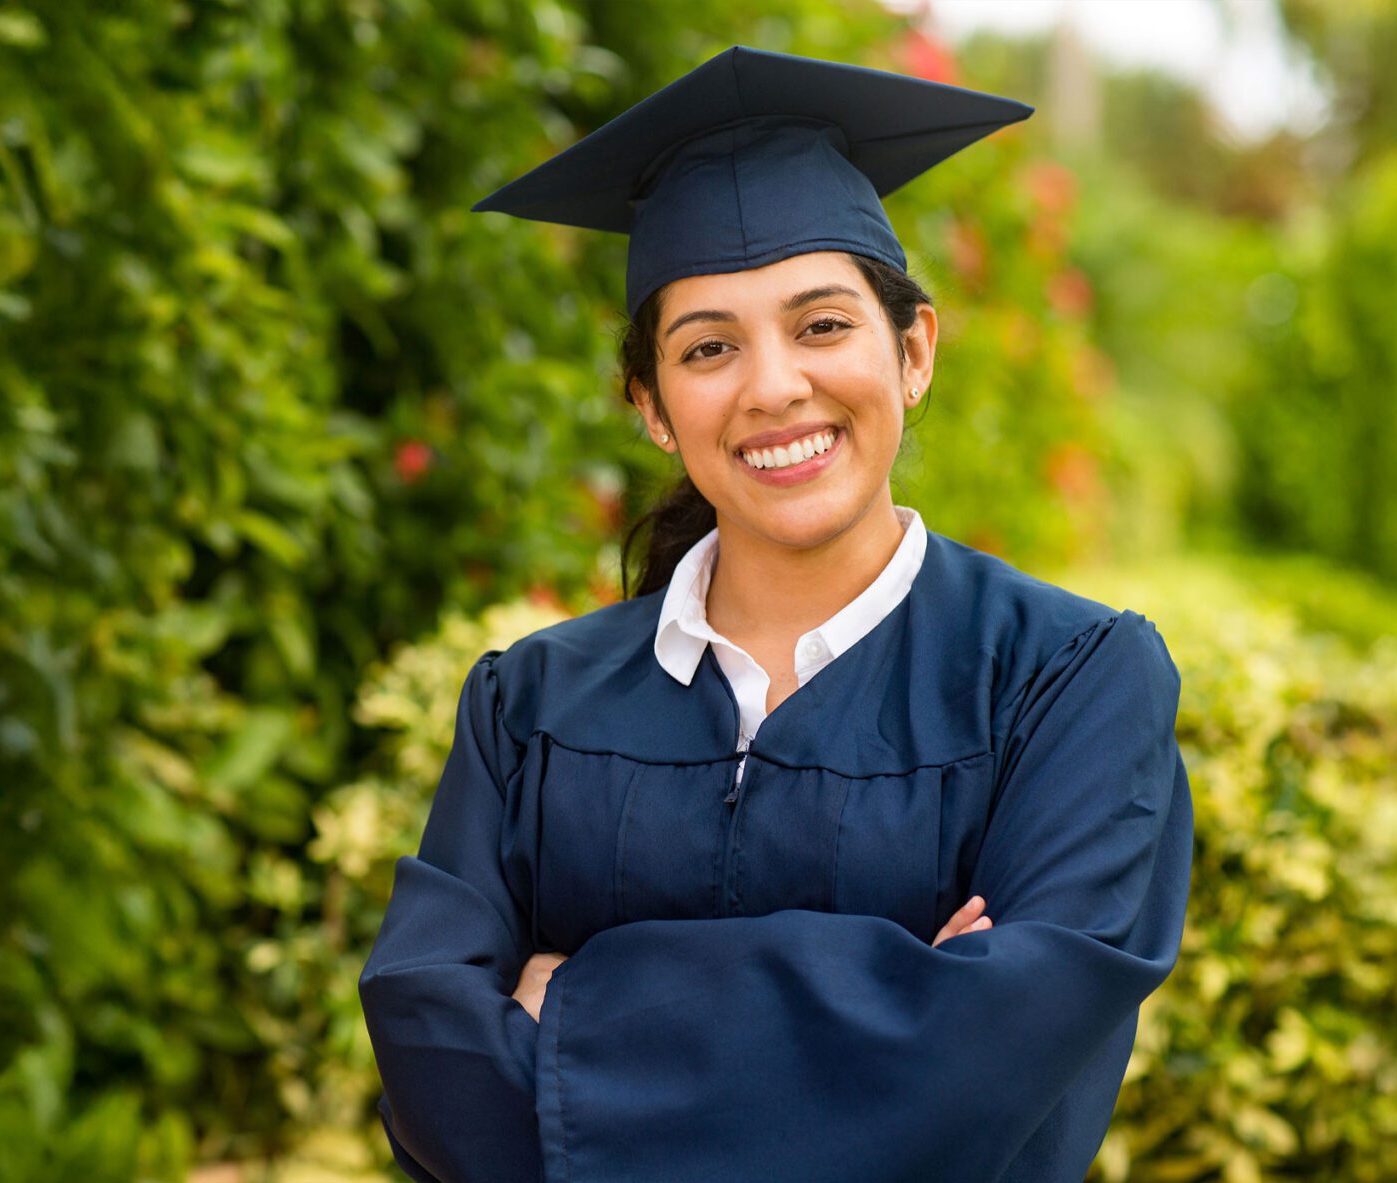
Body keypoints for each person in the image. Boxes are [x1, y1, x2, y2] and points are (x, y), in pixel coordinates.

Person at [356, 45, 1194, 1182]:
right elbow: (430, 1051)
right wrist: (903, 991)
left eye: (821, 326)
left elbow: (997, 1064)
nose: (772, 387)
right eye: (709, 347)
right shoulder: (528, 705)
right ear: (652, 406)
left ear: (913, 351)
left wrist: (571, 1004)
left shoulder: (1067, 680)